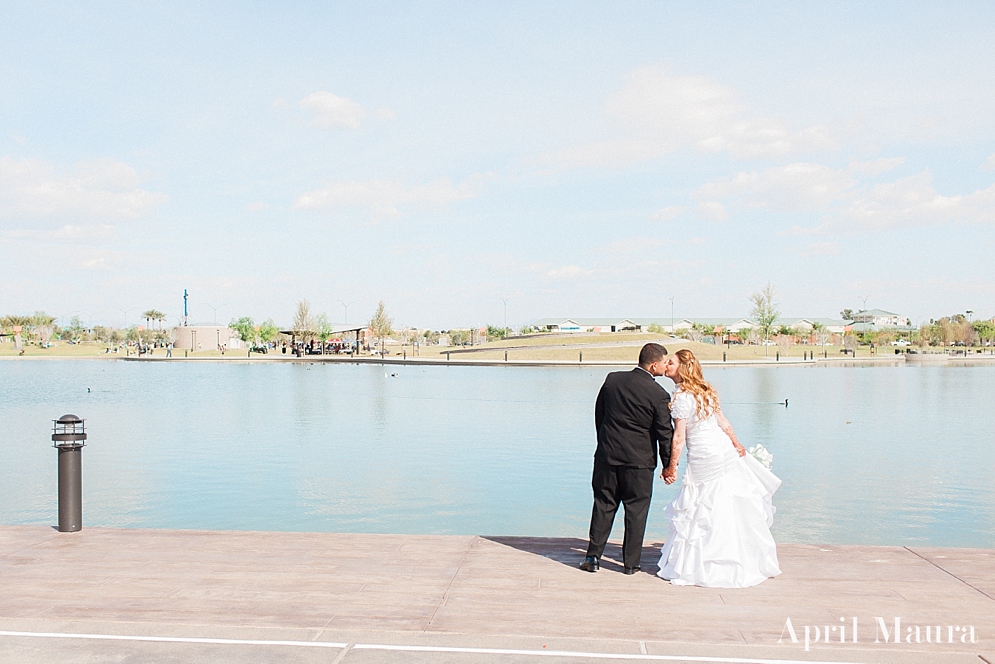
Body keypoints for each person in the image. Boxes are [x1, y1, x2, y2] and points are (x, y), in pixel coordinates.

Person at [657, 349, 781, 587]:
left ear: (682, 368)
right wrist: (735, 442)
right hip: (721, 450)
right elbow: (722, 421)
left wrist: (671, 467)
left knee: (703, 503)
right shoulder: (706, 391)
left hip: (704, 455)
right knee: (723, 500)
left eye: (670, 363)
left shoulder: (682, 397)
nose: (666, 366)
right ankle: (737, 554)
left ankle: (708, 560)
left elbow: (679, 438)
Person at [581, 343, 674, 574]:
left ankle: (593, 557)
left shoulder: (612, 380)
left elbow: (599, 414)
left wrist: (603, 443)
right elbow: (664, 432)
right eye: (664, 362)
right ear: (654, 365)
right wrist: (668, 464)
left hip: (607, 456)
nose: (666, 366)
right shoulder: (659, 394)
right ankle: (631, 564)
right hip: (640, 461)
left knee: (603, 505)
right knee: (636, 510)